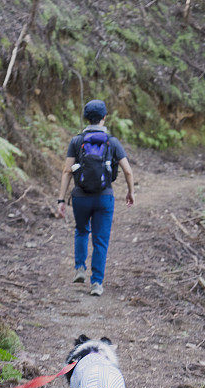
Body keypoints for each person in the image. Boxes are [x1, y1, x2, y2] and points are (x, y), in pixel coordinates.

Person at [56, 100, 135, 296]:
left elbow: (67, 171)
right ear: (104, 117)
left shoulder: (77, 141)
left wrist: (60, 200)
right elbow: (127, 171)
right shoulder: (112, 141)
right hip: (104, 198)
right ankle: (97, 283)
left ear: (85, 118)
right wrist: (130, 192)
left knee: (82, 231)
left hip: (80, 197)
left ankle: (80, 268)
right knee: (101, 241)